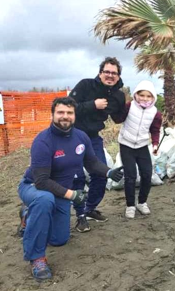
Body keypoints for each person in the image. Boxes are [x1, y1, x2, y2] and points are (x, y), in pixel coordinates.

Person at [17, 97, 123, 280]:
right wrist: (72, 194)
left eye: (69, 113)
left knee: (59, 240)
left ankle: (28, 216)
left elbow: (91, 162)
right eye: (60, 112)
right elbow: (41, 181)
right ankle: (36, 258)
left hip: (60, 192)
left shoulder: (81, 137)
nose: (65, 116)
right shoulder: (43, 141)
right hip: (33, 187)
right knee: (44, 200)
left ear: (74, 115)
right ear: (52, 114)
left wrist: (109, 172)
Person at [69, 57, 126, 231]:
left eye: (114, 73)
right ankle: (79, 216)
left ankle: (89, 208)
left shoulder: (118, 95)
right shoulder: (86, 85)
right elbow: (69, 107)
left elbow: (118, 116)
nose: (110, 75)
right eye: (107, 72)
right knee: (76, 176)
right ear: (100, 73)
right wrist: (93, 105)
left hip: (93, 137)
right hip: (73, 135)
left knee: (101, 173)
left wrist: (140, 107)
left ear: (118, 76)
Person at [116, 80, 162, 219]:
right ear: (136, 95)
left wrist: (155, 144)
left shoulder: (155, 113)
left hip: (142, 145)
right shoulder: (129, 106)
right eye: (141, 95)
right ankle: (130, 205)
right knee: (130, 176)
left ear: (153, 97)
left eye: (148, 96)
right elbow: (118, 118)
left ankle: (142, 202)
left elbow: (155, 130)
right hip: (126, 144)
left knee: (147, 174)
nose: (145, 99)